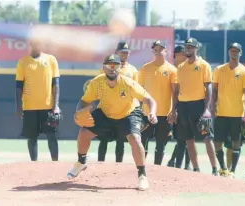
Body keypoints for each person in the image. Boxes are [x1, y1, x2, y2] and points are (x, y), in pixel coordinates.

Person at [67, 54, 157, 191]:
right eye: (109, 65)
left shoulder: (128, 83)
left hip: (128, 113)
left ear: (119, 67)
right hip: (106, 113)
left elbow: (150, 100)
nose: (112, 68)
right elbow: (84, 101)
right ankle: (81, 162)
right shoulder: (97, 82)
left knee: (135, 139)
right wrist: (78, 112)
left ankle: (142, 175)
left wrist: (152, 112)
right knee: (84, 131)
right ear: (104, 67)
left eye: (115, 65)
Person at [170, 38, 218, 175]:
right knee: (188, 139)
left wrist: (207, 109)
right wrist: (173, 109)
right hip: (183, 106)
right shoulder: (180, 67)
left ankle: (214, 169)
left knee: (207, 138)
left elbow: (208, 86)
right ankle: (196, 169)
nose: (188, 49)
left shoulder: (204, 65)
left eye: (191, 47)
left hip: (199, 105)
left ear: (196, 49)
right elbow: (177, 89)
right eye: (187, 47)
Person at [15, 37, 61, 162]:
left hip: (48, 105)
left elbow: (55, 84)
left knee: (52, 135)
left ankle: (55, 163)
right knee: (32, 137)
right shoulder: (23, 62)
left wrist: (55, 105)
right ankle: (33, 164)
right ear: (31, 44)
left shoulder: (51, 60)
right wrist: (19, 106)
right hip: (29, 106)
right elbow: (19, 86)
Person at [212, 43, 245, 178]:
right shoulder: (219, 69)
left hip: (237, 113)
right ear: (229, 52)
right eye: (232, 51)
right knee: (217, 142)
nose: (233, 53)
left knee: (236, 141)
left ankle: (233, 170)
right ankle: (223, 168)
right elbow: (215, 90)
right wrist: (212, 107)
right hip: (221, 112)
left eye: (236, 51)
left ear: (240, 53)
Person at [97, 41, 139, 163]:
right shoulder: (109, 66)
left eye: (126, 52)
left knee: (121, 140)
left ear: (129, 53)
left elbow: (135, 89)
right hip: (108, 107)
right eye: (122, 52)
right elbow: (101, 83)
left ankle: (118, 166)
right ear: (116, 52)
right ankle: (100, 163)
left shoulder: (133, 70)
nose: (124, 55)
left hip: (124, 109)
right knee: (104, 138)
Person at [138, 40, 176, 165]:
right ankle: (141, 169)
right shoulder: (145, 68)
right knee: (143, 143)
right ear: (153, 51)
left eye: (161, 49)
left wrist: (174, 111)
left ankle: (158, 169)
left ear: (166, 51)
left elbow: (175, 92)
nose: (158, 52)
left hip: (164, 113)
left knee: (161, 145)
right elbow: (140, 90)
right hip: (147, 113)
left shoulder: (171, 70)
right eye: (156, 49)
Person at [167, 45, 191, 170]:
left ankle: (186, 164)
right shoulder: (173, 69)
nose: (185, 55)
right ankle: (174, 161)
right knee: (180, 137)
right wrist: (173, 109)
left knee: (186, 137)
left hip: (185, 104)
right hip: (174, 106)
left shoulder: (187, 68)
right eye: (183, 53)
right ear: (177, 55)